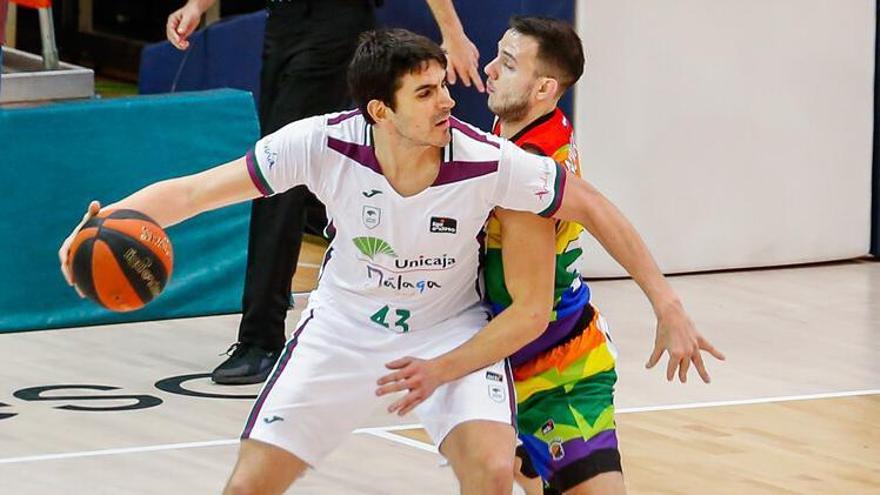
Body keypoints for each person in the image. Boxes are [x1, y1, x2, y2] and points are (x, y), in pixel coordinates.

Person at [60, 29, 721, 495]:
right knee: (249, 484)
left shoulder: (486, 160)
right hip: (342, 331)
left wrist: (667, 302)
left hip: (448, 329)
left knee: (492, 470)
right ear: (380, 110)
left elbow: (594, 205)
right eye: (428, 93)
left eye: (443, 85)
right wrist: (108, 220)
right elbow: (196, 190)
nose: (449, 102)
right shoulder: (320, 143)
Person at [166, 0, 485, 385]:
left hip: (336, 25)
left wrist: (452, 32)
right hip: (284, 21)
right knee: (290, 167)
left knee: (277, 178)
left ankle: (261, 339)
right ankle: (363, 315)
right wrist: (197, 6)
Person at [482, 16, 632, 495]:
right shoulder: (516, 122)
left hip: (559, 365)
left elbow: (602, 213)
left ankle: (531, 462)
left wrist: (666, 302)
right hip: (503, 358)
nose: (489, 70)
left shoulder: (534, 163)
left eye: (506, 64)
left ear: (545, 87)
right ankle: (528, 463)